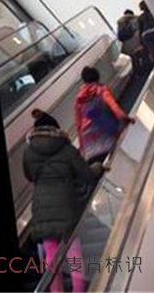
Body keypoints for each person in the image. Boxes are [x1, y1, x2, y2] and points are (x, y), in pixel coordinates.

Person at [24, 110, 95, 293]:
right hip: (67, 205)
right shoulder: (67, 149)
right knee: (73, 254)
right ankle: (79, 291)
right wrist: (96, 169)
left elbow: (29, 175)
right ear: (56, 129)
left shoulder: (29, 152)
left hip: (41, 208)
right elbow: (85, 174)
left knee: (50, 255)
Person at [73, 66, 134, 164]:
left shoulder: (78, 99)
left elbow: (78, 125)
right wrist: (126, 118)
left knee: (99, 166)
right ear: (97, 78)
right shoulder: (101, 90)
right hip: (104, 134)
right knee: (114, 161)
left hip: (88, 141)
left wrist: (82, 147)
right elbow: (114, 107)